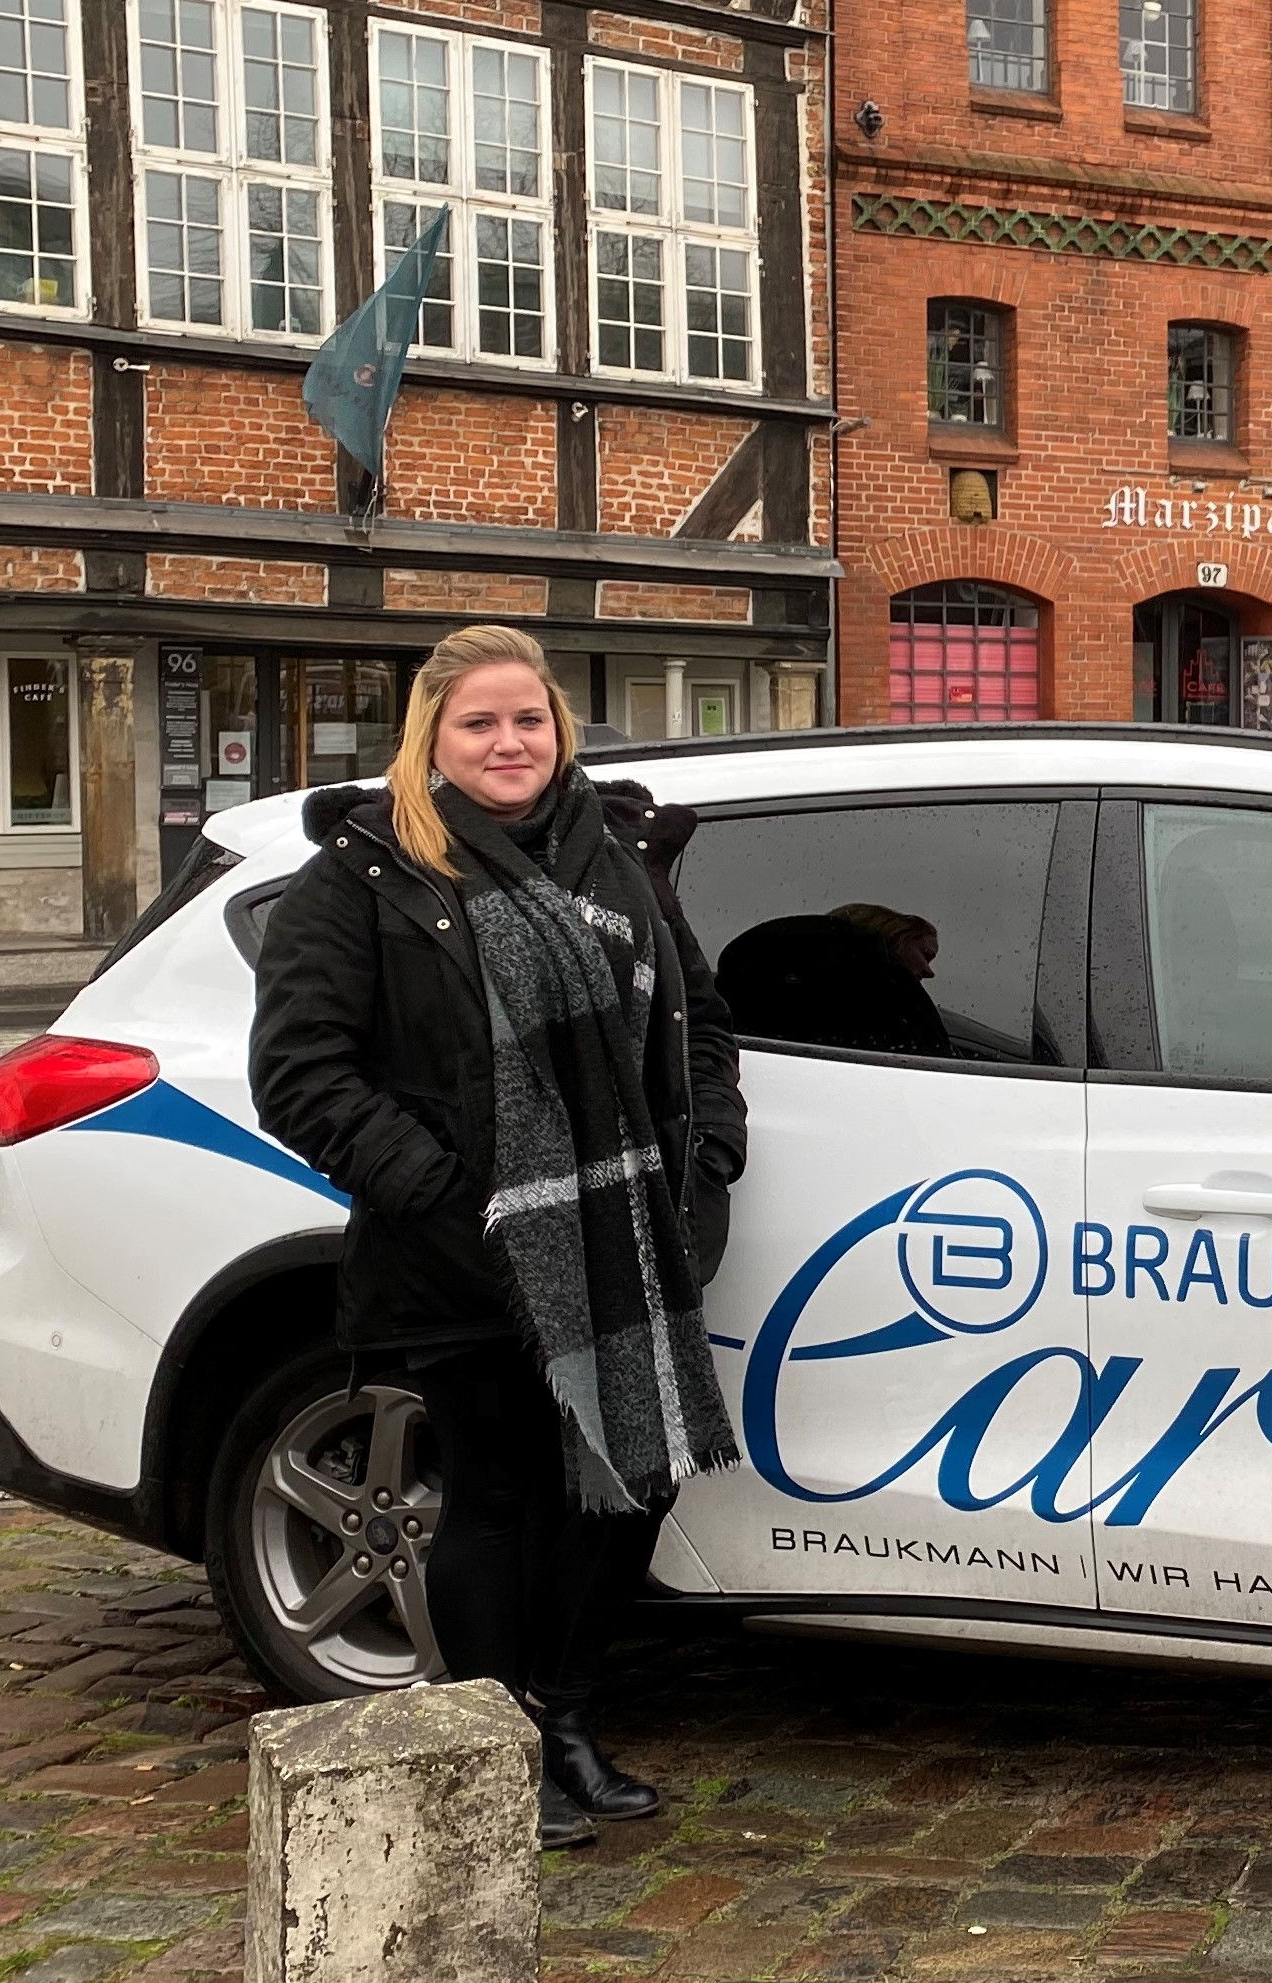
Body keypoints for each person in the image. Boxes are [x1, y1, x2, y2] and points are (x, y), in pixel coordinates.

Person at [248, 625, 746, 1851]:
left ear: (559, 730)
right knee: (498, 1494)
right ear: (433, 737)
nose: (508, 742)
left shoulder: (619, 854)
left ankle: (566, 1718)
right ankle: (501, 1748)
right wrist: (447, 1192)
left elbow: (699, 1019)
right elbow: (302, 1073)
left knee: (632, 1481)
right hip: (467, 1253)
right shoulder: (369, 875)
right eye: (479, 723)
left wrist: (710, 1148)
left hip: (625, 1238)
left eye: (527, 719)